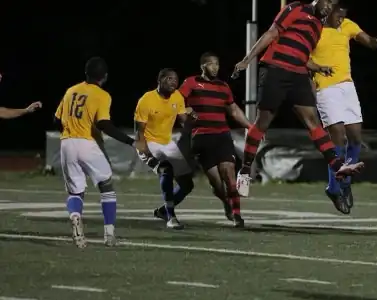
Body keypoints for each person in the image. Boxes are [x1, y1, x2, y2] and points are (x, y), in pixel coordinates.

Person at [231, 0, 363, 205]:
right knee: (262, 122)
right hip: (275, 69)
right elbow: (272, 33)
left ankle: (338, 166)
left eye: (333, 5)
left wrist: (318, 68)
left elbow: (302, 55)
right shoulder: (295, 8)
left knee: (313, 121)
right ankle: (245, 170)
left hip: (298, 74)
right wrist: (247, 59)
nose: (329, 7)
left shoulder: (318, 26)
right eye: (328, 1)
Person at [310, 6, 377, 210]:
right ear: (327, 12)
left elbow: (369, 42)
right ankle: (333, 188)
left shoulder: (347, 26)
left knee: (356, 137)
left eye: (344, 15)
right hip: (326, 87)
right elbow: (303, 57)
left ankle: (346, 183)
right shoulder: (314, 29)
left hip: (347, 87)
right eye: (338, 15)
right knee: (338, 137)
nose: (341, 19)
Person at [54, 57, 148, 248]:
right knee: (106, 186)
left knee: (75, 191)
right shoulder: (102, 95)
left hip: (66, 144)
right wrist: (132, 142)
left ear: (86, 73)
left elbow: (56, 121)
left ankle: (75, 217)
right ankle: (109, 234)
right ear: (104, 77)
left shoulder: (71, 90)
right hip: (87, 143)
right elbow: (103, 124)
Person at [179, 52, 252, 228]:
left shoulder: (223, 87)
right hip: (201, 138)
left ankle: (237, 215)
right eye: (211, 64)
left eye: (217, 64)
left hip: (222, 136)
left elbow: (233, 111)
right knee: (217, 184)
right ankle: (226, 203)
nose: (215, 67)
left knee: (229, 176)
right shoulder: (191, 83)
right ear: (203, 66)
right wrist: (187, 115)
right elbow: (178, 103)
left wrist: (250, 127)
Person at [134, 68, 196, 230]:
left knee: (187, 185)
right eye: (169, 79)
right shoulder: (146, 100)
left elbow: (184, 121)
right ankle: (171, 216)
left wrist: (192, 117)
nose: (174, 82)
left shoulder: (177, 97)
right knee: (166, 169)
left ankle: (162, 211)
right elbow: (139, 132)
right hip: (148, 142)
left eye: (175, 79)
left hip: (167, 142)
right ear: (159, 80)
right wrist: (146, 153)